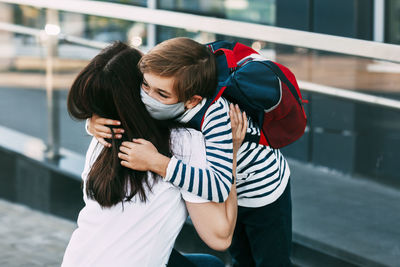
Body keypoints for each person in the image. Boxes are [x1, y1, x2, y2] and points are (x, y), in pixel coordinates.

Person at [89, 37, 292, 267]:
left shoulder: (216, 117)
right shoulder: (165, 91)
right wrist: (93, 123)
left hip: (262, 190)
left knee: (271, 262)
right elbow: (128, 113)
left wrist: (158, 163)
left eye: (161, 94)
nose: (147, 97)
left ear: (191, 100)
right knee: (241, 260)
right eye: (145, 85)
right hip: (231, 198)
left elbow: (218, 186)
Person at [62, 41, 247, 267]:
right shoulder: (185, 143)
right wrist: (232, 153)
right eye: (146, 85)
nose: (150, 94)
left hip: (76, 260)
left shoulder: (102, 136)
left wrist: (91, 123)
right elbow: (220, 237)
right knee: (213, 264)